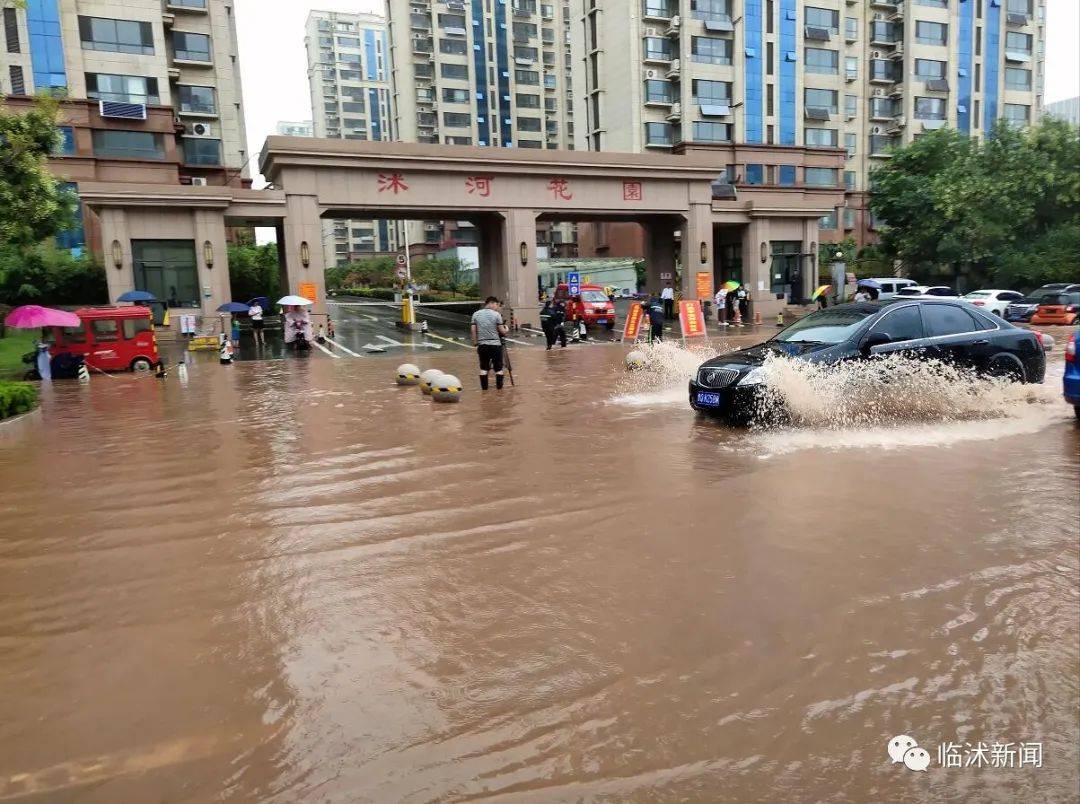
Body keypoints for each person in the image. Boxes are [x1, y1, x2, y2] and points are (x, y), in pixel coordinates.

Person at [471, 296, 509, 390]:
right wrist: (506, 329)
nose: (497, 307)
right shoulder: (496, 315)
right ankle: (499, 391)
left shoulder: (475, 314)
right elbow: (502, 331)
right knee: (498, 368)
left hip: (482, 345)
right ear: (492, 303)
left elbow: (473, 330)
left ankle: (484, 390)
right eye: (496, 305)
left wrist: (475, 343)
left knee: (483, 368)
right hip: (495, 345)